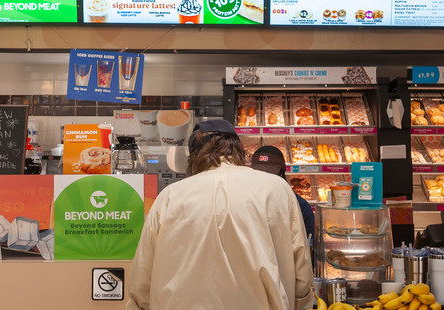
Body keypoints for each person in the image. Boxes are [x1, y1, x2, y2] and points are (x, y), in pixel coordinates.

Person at [126, 119, 313, 310]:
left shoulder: (169, 197)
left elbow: (142, 285)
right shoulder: (277, 189)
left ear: (194, 156)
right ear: (239, 149)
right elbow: (302, 275)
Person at [251, 145, 316, 239]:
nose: (263, 178)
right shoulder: (300, 205)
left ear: (281, 174)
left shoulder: (300, 207)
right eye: (258, 174)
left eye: (269, 174)